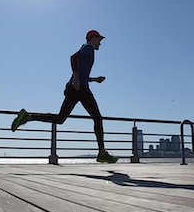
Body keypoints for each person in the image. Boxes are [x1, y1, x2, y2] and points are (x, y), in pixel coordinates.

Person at [11, 30, 118, 163]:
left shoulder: (87, 50)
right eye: (99, 40)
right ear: (92, 38)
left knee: (60, 118)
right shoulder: (88, 48)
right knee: (97, 118)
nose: (100, 44)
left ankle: (28, 116)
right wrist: (77, 80)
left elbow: (80, 74)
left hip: (76, 88)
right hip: (80, 89)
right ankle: (102, 153)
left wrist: (94, 79)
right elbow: (73, 57)